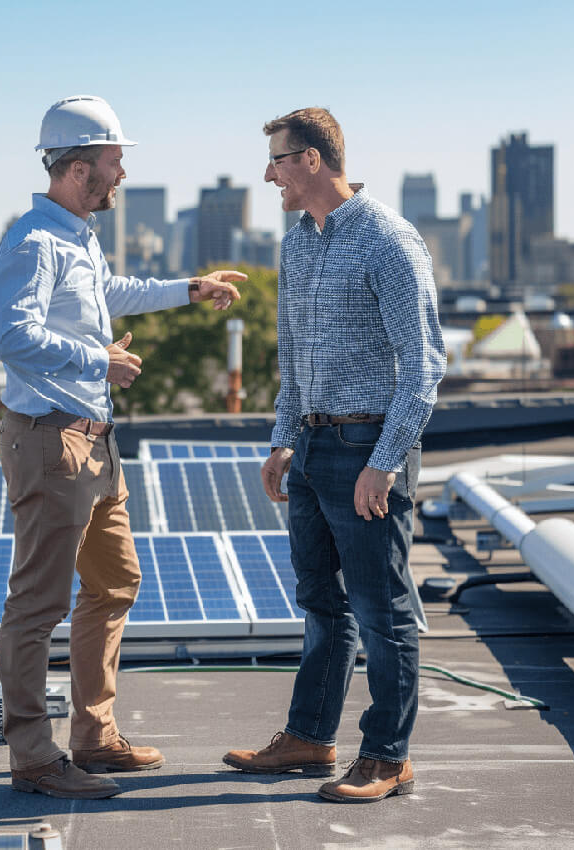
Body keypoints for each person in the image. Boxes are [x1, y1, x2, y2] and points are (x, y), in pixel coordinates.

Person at [0, 95, 246, 800]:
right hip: (52, 441)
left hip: (97, 445)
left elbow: (109, 294)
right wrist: (95, 363)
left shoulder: (78, 234)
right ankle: (35, 759)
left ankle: (93, 738)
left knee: (115, 583)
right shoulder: (33, 242)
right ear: (78, 168)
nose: (122, 172)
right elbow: (11, 337)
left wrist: (188, 290)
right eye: (113, 161)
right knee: (37, 606)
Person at [222, 108, 446, 803]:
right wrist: (282, 439)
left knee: (383, 611)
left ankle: (386, 757)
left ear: (314, 159)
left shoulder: (389, 241)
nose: (269, 175)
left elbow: (425, 364)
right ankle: (311, 739)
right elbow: (292, 355)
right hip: (315, 446)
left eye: (279, 161)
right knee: (321, 601)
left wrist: (384, 461)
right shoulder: (297, 243)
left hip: (368, 448)